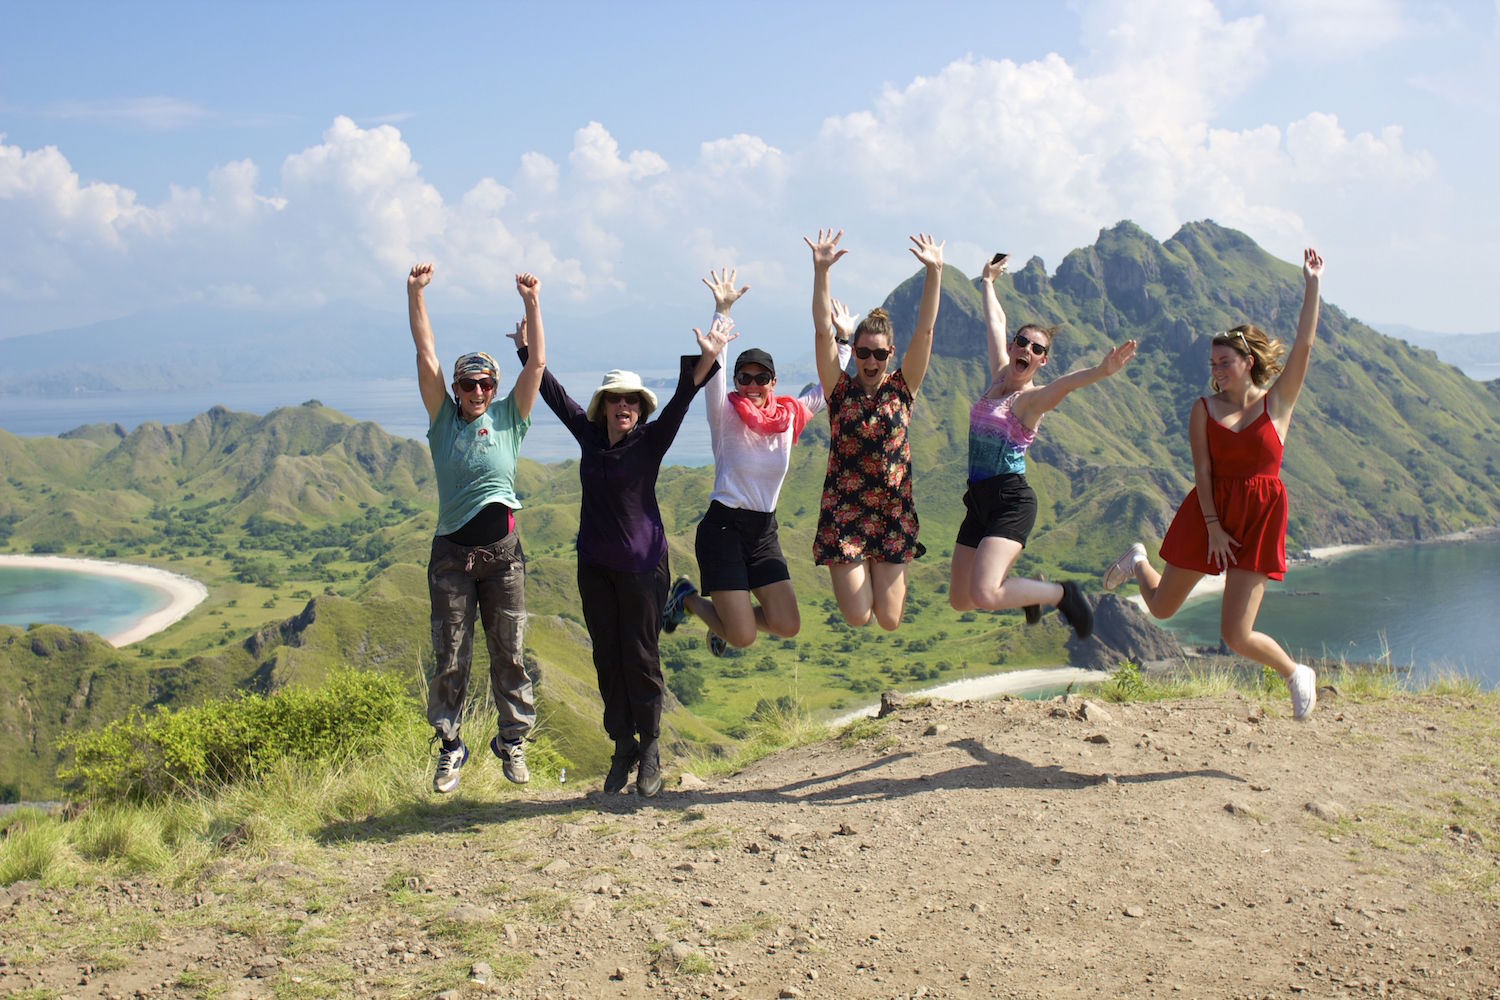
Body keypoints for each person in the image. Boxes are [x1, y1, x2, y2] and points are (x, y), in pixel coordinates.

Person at [1102, 248, 1326, 719]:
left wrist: (1311, 285)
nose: (1217, 371)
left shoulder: (1277, 404)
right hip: (1211, 514)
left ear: (1247, 361)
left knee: (1235, 635)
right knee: (1161, 609)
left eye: (1224, 362)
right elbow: (1202, 471)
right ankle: (1138, 560)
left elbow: (1304, 346)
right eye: (1212, 364)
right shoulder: (1204, 410)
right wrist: (1214, 526)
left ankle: (1294, 673)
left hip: (1260, 517)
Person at [514, 312, 723, 796]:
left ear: (638, 407)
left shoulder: (650, 441)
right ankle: (622, 745)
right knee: (608, 658)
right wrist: (526, 351)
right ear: (604, 406)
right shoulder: (588, 436)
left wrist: (710, 352)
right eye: (616, 399)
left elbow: (684, 397)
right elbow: (552, 393)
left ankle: (650, 747)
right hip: (596, 567)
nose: (624, 405)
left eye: (631, 399)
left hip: (644, 567)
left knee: (641, 657)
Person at [661, 270, 854, 655]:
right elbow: (714, 364)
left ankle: (729, 621)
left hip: (764, 531)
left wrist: (843, 340)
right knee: (744, 637)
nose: (752, 385)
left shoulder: (791, 415)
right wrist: (722, 309)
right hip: (724, 528)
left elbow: (829, 388)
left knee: (787, 624)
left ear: (773, 381)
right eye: (744, 378)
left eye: (760, 378)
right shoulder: (724, 413)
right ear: (735, 382)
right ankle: (688, 599)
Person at [948, 254, 1137, 639]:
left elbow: (1065, 384)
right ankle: (1027, 594)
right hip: (979, 500)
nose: (1027, 351)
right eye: (1023, 342)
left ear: (1042, 361)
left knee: (985, 592)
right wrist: (987, 281)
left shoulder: (1029, 402)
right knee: (960, 599)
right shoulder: (999, 377)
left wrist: (1102, 371)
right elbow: (996, 323)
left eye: (1037, 350)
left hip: (1009, 500)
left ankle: (1060, 593)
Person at [408, 262, 544, 794]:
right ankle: (450, 746)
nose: (476, 391)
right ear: (458, 387)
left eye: (485, 383)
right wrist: (415, 293)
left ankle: (512, 741)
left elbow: (537, 365)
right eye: (467, 384)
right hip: (452, 556)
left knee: (509, 649)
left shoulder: (510, 417)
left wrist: (533, 303)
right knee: (451, 653)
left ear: (494, 386)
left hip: (503, 554)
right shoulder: (443, 420)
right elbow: (426, 355)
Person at [807, 229, 943, 631]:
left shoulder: (904, 388)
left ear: (890, 355)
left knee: (889, 619)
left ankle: (875, 564)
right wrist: (821, 271)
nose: (869, 360)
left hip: (892, 515)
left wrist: (934, 272)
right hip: (845, 515)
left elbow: (925, 332)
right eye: (862, 352)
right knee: (857, 616)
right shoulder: (839, 390)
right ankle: (861, 563)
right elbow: (821, 333)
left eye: (878, 354)